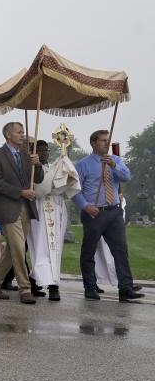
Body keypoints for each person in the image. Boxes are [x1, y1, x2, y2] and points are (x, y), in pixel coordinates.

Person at [73, 129, 144, 302]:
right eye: (103, 140)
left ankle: (125, 289)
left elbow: (127, 177)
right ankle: (90, 287)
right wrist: (86, 206)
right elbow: (74, 190)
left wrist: (114, 165)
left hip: (113, 212)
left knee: (121, 251)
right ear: (93, 143)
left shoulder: (116, 160)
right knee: (88, 251)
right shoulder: (83, 164)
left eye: (107, 140)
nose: (106, 143)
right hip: (94, 213)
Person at [0, 122, 44, 304]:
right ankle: (25, 288)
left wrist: (38, 164)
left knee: (12, 249)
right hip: (8, 208)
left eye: (23, 132)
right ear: (8, 135)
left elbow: (38, 179)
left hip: (26, 207)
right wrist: (20, 192)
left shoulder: (27, 156)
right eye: (19, 132)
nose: (23, 135)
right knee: (18, 247)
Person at [26, 139, 80, 301]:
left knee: (54, 249)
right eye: (40, 150)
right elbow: (40, 188)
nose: (44, 153)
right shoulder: (30, 170)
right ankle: (36, 282)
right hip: (39, 212)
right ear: (33, 153)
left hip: (56, 210)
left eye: (46, 150)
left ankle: (52, 286)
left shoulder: (51, 167)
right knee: (39, 248)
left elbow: (66, 184)